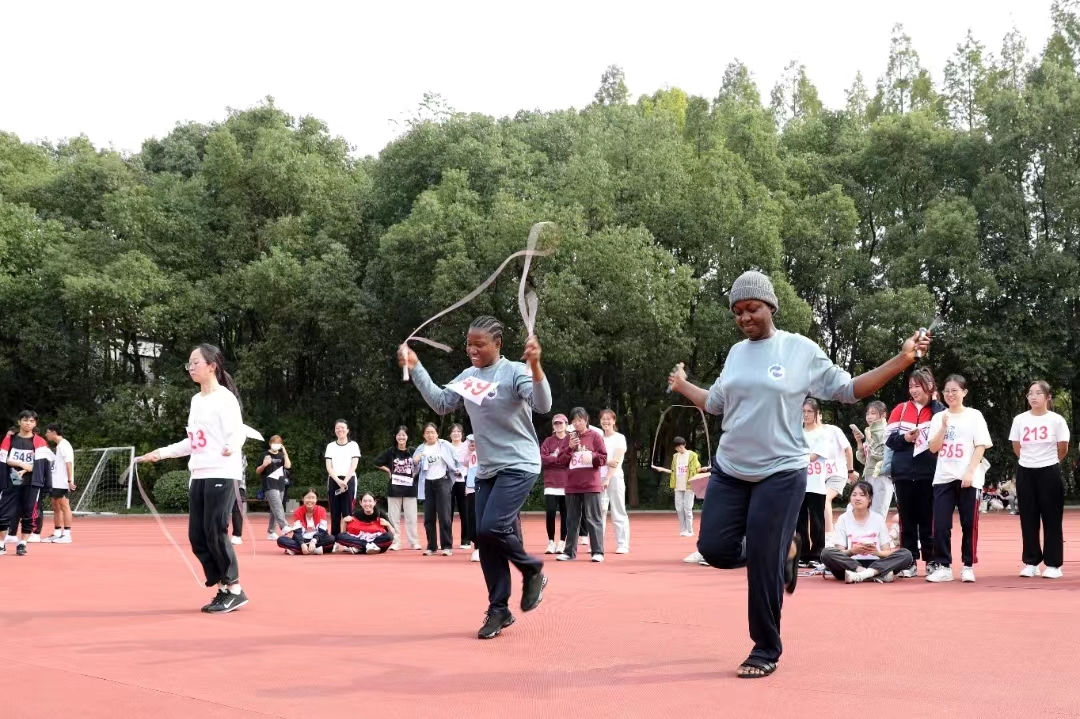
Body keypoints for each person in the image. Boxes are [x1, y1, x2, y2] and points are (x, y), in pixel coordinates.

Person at [668, 270, 930, 678]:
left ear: (771, 306)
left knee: (762, 563)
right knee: (716, 550)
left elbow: (850, 388)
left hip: (781, 471)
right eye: (737, 311)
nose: (744, 317)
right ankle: (786, 549)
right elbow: (716, 403)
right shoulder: (736, 354)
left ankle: (765, 647)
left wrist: (903, 359)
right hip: (731, 469)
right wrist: (684, 385)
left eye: (752, 308)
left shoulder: (799, 350)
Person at [400, 315, 551, 640]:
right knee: (485, 539)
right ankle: (499, 609)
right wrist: (416, 367)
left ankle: (531, 568)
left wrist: (536, 366)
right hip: (486, 469)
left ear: (498, 344)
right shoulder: (468, 376)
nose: (472, 349)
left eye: (479, 344)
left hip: (520, 464)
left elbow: (543, 404)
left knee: (489, 528)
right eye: (469, 343)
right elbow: (442, 403)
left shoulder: (514, 372)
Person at [136, 344, 250, 613]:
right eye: (189, 363)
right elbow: (193, 441)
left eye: (196, 362)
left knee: (215, 530)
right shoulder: (196, 401)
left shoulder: (225, 399)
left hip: (221, 471)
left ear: (212, 366)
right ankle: (223, 585)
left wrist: (232, 446)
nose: (191, 367)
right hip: (198, 473)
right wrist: (161, 453)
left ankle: (233, 588)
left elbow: (239, 431)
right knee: (197, 535)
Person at [926, 375, 992, 584]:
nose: (950, 394)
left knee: (968, 522)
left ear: (964, 392)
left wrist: (970, 472)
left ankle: (968, 565)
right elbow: (933, 448)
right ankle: (943, 565)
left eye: (955, 390)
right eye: (946, 391)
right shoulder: (938, 417)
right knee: (941, 524)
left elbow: (981, 445)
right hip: (944, 476)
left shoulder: (974, 416)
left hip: (968, 477)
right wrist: (944, 428)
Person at [885, 368, 946, 578]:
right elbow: (889, 440)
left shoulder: (940, 411)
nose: (913, 390)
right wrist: (906, 439)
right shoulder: (900, 410)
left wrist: (936, 403)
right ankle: (908, 560)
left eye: (917, 385)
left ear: (929, 386)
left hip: (929, 472)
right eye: (911, 386)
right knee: (907, 519)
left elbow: (946, 436)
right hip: (902, 472)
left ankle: (931, 560)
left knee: (928, 517)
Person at [1010, 381, 1070, 579]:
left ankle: (1054, 564)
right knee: (1028, 517)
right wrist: (1029, 461)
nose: (1033, 396)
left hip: (1049, 471)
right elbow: (1017, 446)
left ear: (1048, 397)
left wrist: (1049, 461)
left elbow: (1063, 448)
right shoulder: (1020, 419)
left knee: (1052, 518)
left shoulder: (1057, 420)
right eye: (1030, 393)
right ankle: (1031, 561)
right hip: (1026, 471)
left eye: (1038, 393)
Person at [820, 480, 912, 583]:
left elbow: (887, 551)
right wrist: (852, 551)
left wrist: (877, 552)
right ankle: (870, 573)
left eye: (862, 495)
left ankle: (864, 575)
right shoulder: (843, 519)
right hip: (849, 565)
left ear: (870, 499)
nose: (857, 498)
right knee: (826, 553)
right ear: (850, 498)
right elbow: (839, 552)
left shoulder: (878, 519)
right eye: (854, 495)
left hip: (876, 563)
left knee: (906, 554)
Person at [557, 407, 608, 562]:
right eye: (574, 421)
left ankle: (597, 551)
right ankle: (569, 551)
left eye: (580, 420)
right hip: (572, 485)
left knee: (593, 518)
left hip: (591, 484)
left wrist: (592, 456)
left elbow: (603, 458)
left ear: (586, 420)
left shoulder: (595, 436)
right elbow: (560, 460)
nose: (577, 423)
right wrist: (570, 448)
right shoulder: (568, 439)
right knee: (572, 519)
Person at [802, 399, 856, 541]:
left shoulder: (832, 431)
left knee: (824, 499)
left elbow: (848, 449)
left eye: (810, 412)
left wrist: (850, 471)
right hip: (817, 475)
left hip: (837, 473)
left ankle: (829, 536)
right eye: (804, 412)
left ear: (819, 414)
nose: (806, 415)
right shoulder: (803, 432)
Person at [0, 412, 50, 555]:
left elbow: (42, 464)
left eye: (32, 421)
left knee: (28, 513)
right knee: (3, 513)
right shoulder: (10, 439)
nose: (28, 423)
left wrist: (28, 469)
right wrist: (21, 464)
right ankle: (1, 544)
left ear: (35, 424)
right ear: (19, 421)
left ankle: (22, 543)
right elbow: (5, 459)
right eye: (25, 420)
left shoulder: (40, 442)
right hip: (11, 481)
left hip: (31, 482)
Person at [413, 422, 461, 556]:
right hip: (427, 483)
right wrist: (415, 461)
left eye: (432, 432)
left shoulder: (445, 445)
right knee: (428, 516)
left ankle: (446, 546)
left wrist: (457, 471)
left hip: (443, 481)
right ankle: (431, 546)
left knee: (445, 515)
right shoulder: (421, 448)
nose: (430, 435)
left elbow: (457, 460)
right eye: (427, 432)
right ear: (423, 435)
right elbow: (414, 469)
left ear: (437, 434)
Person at [374, 427, 420, 551]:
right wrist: (388, 470)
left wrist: (415, 473)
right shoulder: (390, 451)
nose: (401, 437)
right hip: (394, 488)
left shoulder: (413, 451)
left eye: (404, 435)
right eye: (399, 435)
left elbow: (421, 465)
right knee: (394, 518)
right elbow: (377, 461)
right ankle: (395, 541)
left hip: (410, 488)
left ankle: (414, 542)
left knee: (411, 517)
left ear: (407, 437)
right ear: (395, 437)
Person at [599, 409, 630, 554]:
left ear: (614, 421)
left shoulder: (619, 438)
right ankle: (597, 544)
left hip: (615, 477)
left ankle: (622, 544)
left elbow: (616, 461)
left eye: (608, 419)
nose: (605, 422)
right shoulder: (598, 438)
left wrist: (607, 478)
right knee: (599, 511)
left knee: (618, 510)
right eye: (603, 419)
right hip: (597, 478)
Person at [540, 415, 571, 554]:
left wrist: (554, 458)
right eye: (556, 423)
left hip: (566, 482)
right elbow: (543, 459)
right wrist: (557, 458)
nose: (558, 425)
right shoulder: (548, 441)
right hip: (550, 483)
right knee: (551, 512)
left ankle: (562, 542)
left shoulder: (570, 440)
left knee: (565, 514)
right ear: (553, 426)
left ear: (566, 424)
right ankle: (551, 542)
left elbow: (568, 459)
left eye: (561, 423)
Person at [324, 420, 361, 536]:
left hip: (349, 480)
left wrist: (345, 481)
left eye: (343, 428)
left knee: (348, 512)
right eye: (337, 428)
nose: (340, 430)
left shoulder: (353, 445)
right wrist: (338, 480)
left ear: (347, 430)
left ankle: (348, 539)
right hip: (334, 480)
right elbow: (329, 467)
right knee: (335, 512)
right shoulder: (331, 446)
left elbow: (354, 465)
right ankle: (334, 539)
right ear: (335, 430)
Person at [44, 423, 76, 543]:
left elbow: (69, 463)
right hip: (56, 482)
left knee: (64, 507)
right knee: (55, 507)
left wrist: (69, 481)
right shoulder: (59, 446)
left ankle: (67, 534)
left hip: (63, 482)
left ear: (53, 432)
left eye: (47, 432)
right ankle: (57, 532)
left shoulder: (64, 445)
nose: (46, 434)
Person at [277, 488, 335, 555]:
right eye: (308, 498)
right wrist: (302, 544)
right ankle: (314, 550)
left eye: (313, 498)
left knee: (331, 539)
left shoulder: (321, 510)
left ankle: (296, 550)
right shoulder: (298, 512)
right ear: (303, 499)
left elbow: (323, 530)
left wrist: (313, 541)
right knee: (281, 540)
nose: (310, 500)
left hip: (317, 539)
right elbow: (297, 532)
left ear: (316, 500)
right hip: (302, 539)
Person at [257, 435, 291, 540]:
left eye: (278, 443)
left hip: (280, 484)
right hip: (269, 484)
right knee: (277, 506)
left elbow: (288, 466)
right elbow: (257, 471)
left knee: (274, 508)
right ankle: (284, 526)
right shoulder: (264, 455)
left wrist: (285, 453)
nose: (276, 444)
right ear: (270, 443)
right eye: (274, 442)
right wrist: (264, 465)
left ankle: (271, 532)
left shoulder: (281, 455)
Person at [668, 437, 701, 537]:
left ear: (684, 445)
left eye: (680, 447)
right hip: (678, 484)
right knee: (679, 508)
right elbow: (673, 470)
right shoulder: (675, 456)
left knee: (687, 508)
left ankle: (690, 530)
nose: (679, 449)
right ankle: (683, 529)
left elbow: (697, 467)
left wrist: (702, 469)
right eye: (677, 448)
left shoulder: (692, 455)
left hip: (689, 485)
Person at [448, 424, 472, 550]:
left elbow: (469, 461)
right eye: (453, 431)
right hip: (448, 481)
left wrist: (461, 472)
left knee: (465, 510)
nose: (456, 433)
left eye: (458, 431)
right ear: (450, 434)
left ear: (462, 434)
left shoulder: (467, 445)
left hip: (463, 479)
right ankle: (447, 540)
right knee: (448, 511)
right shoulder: (446, 446)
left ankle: (466, 539)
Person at [465, 434, 480, 561]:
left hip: (485, 487)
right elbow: (462, 462)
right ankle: (477, 548)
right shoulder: (469, 452)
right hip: (471, 488)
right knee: (473, 517)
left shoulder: (488, 450)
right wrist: (469, 451)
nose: (472, 443)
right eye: (471, 441)